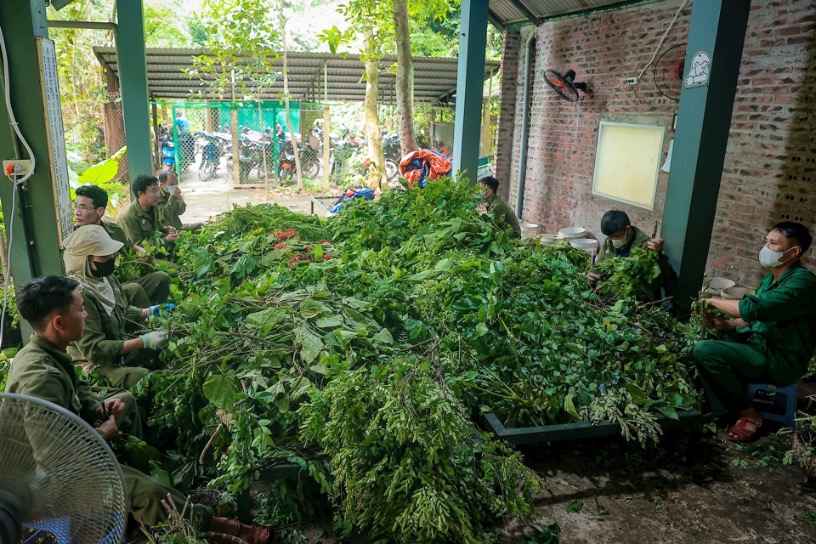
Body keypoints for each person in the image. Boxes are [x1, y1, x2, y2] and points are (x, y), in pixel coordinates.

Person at [4, 276, 271, 542]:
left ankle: (136, 503)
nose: (85, 315)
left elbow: (77, 390)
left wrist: (97, 408)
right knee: (149, 493)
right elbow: (54, 459)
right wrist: (103, 434)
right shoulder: (41, 378)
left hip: (58, 458)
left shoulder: (45, 352)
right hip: (45, 485)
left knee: (126, 402)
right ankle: (217, 525)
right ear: (59, 323)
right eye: (81, 310)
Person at [694, 222, 816, 442]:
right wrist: (728, 325)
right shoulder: (771, 278)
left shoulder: (803, 283)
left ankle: (748, 413)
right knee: (720, 336)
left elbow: (753, 309)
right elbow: (754, 319)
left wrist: (711, 301)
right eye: (766, 241)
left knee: (705, 350)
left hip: (780, 359)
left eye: (773, 244)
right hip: (760, 345)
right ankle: (723, 406)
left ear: (794, 251)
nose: (766, 248)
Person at [62, 224, 171, 389]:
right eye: (104, 257)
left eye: (111, 255)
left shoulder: (105, 279)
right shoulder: (79, 296)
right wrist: (141, 342)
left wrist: (147, 312)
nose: (111, 259)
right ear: (85, 261)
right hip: (94, 365)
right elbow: (94, 350)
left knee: (166, 337)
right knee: (144, 378)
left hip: (116, 347)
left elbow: (121, 312)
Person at [74, 185, 171, 306]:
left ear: (100, 211)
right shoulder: (73, 238)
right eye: (76, 206)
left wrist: (144, 254)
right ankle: (143, 315)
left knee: (162, 277)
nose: (77, 212)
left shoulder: (113, 231)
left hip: (115, 283)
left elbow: (131, 248)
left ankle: (158, 311)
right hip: (92, 291)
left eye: (83, 207)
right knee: (134, 289)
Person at [587, 210, 669, 298]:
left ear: (628, 229)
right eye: (610, 237)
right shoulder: (609, 242)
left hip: (635, 296)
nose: (613, 240)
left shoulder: (647, 246)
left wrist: (658, 252)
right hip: (612, 292)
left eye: (617, 236)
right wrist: (591, 274)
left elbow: (661, 274)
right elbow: (599, 265)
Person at [118, 174, 180, 248]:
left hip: (155, 250)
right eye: (154, 191)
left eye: (158, 190)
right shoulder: (129, 217)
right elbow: (137, 247)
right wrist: (165, 240)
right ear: (140, 194)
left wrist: (165, 229)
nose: (158, 195)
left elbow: (154, 230)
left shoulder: (153, 207)